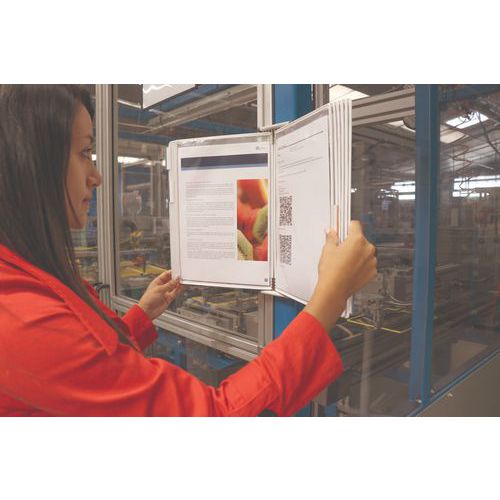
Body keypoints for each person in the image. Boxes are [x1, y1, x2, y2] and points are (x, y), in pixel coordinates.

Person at [0, 85, 377, 416]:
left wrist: (140, 316)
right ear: (31, 163)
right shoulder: (24, 320)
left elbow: (90, 368)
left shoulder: (25, 275)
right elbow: (213, 414)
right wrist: (330, 297)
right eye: (85, 152)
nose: (96, 176)